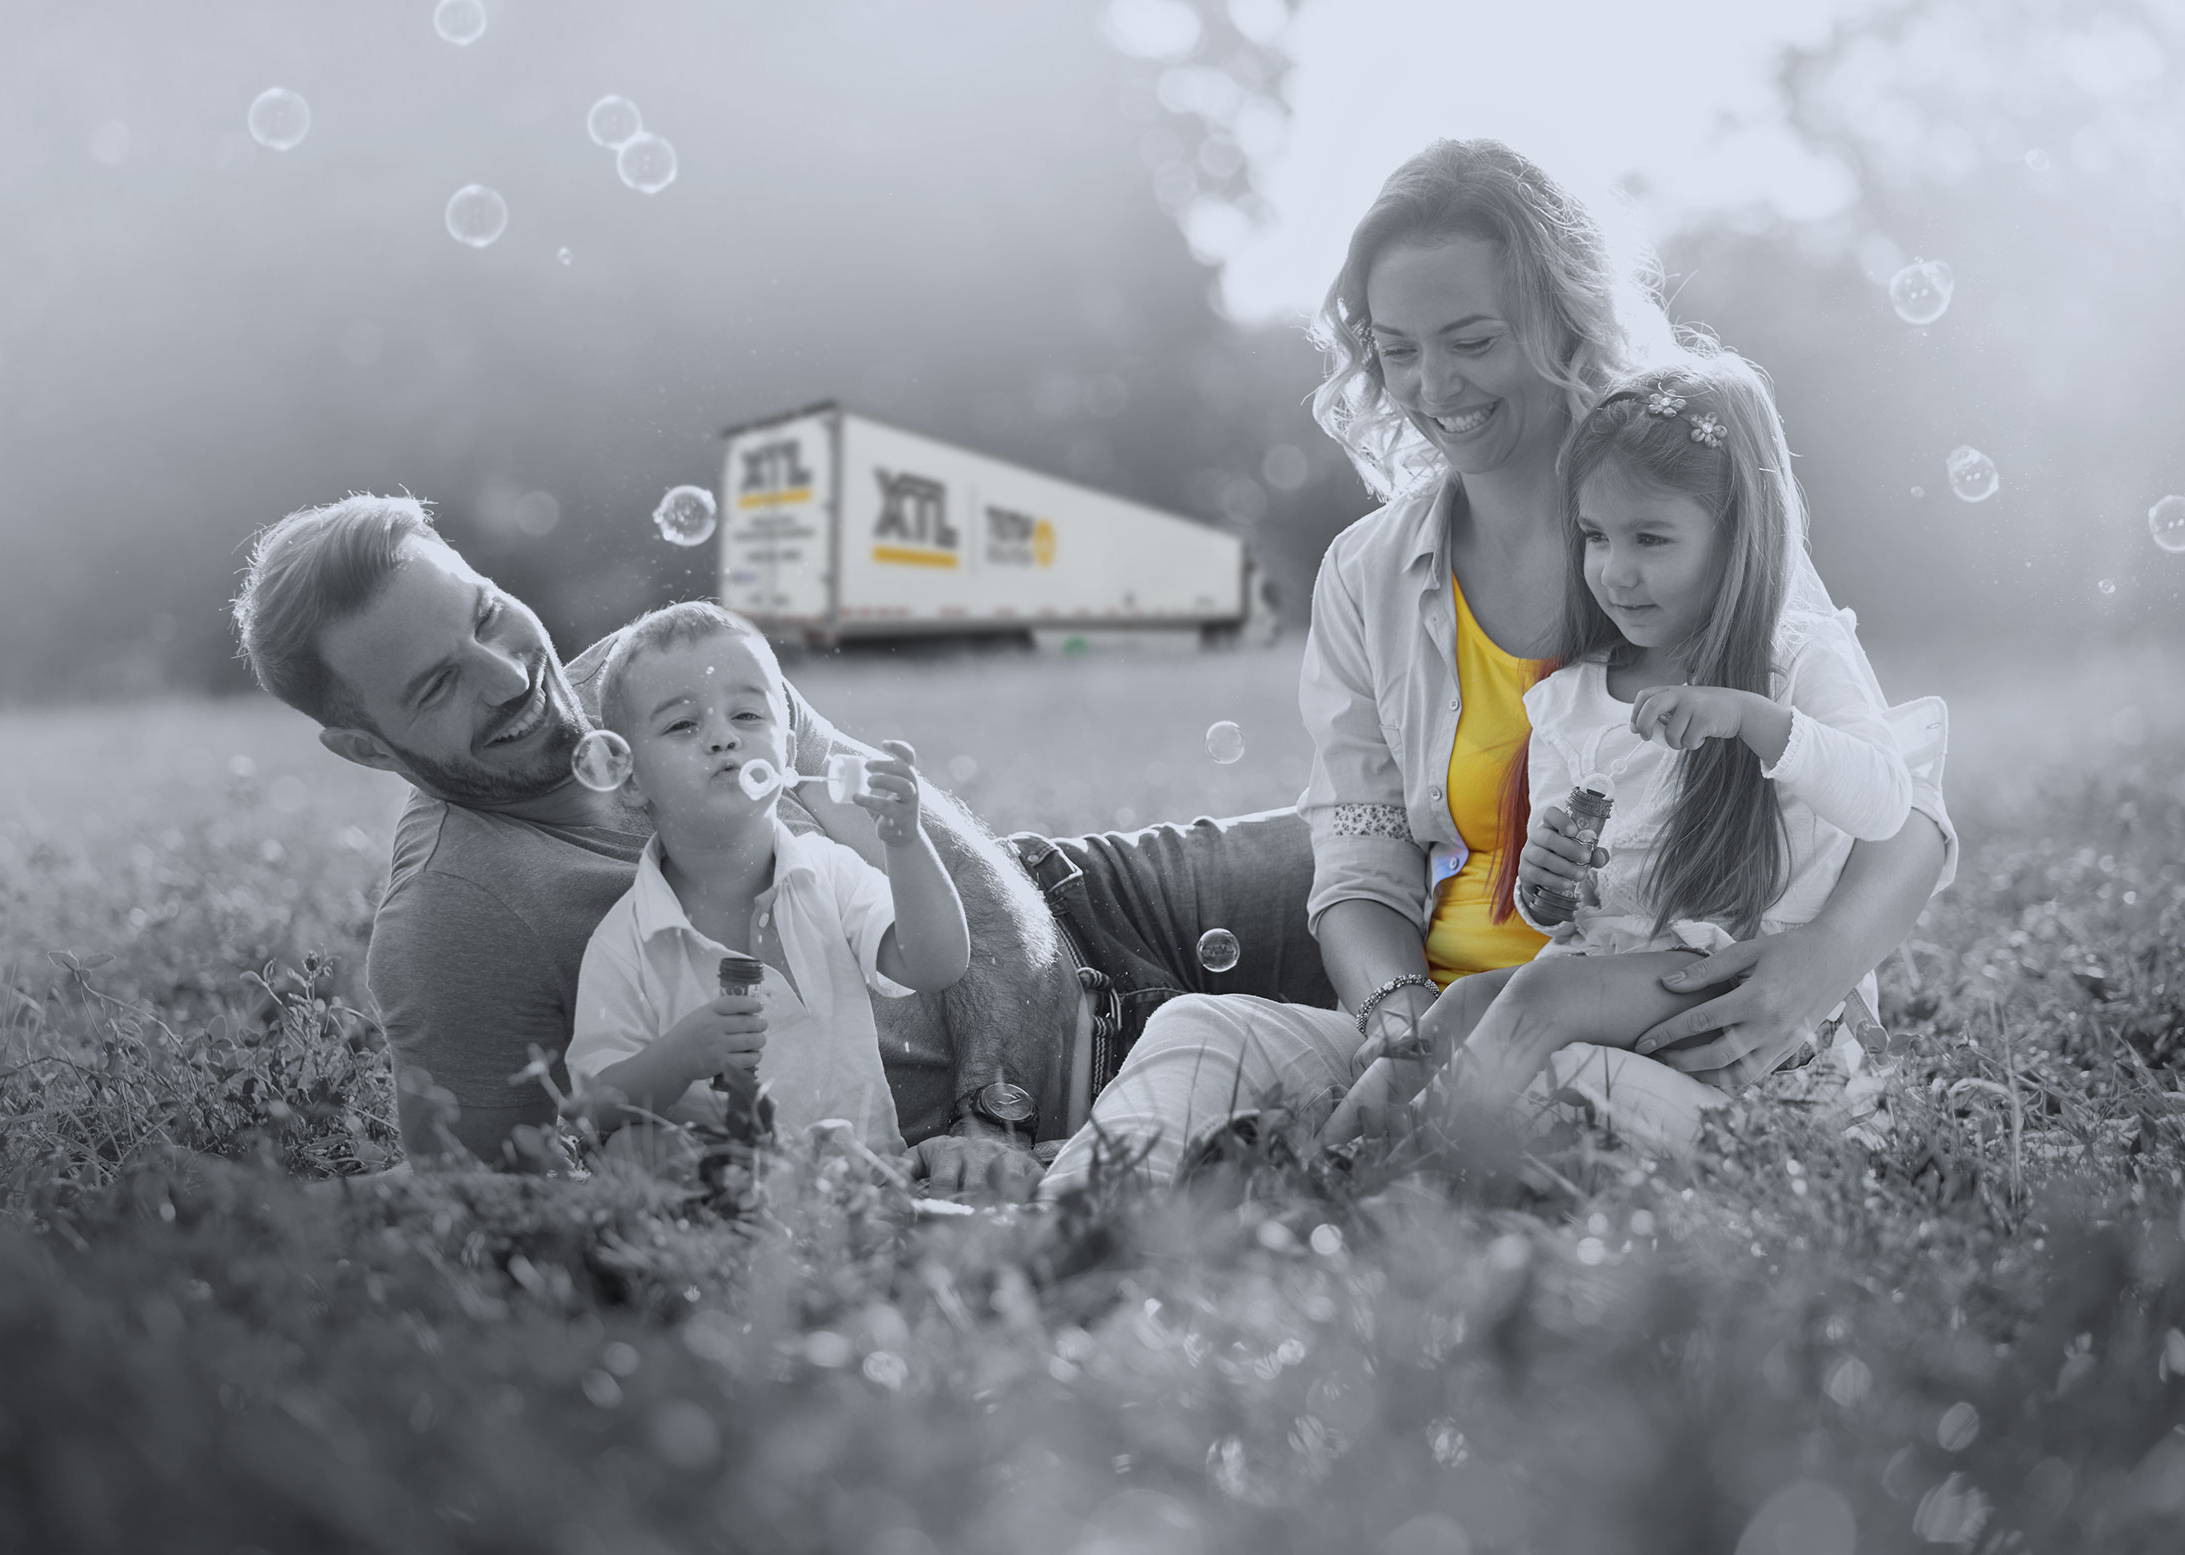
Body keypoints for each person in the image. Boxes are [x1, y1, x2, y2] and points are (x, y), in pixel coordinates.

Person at [1041, 139, 1957, 1196]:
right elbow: (1358, 852)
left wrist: (1816, 965)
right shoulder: (1371, 572)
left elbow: (1907, 807)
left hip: (1669, 1038)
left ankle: (1330, 1206)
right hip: (1455, 1030)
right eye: (1395, 350)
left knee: (1536, 1085)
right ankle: (1072, 1227)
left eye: (1470, 339)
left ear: (1560, 320)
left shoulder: (1689, 519)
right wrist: (1394, 1023)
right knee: (1203, 1029)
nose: (1432, 387)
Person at [226, 496, 1337, 1193]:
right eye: (435, 684)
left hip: (1087, 902)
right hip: (1105, 1078)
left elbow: (935, 854)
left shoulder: (661, 669)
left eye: (482, 614)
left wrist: (996, 1112)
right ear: (366, 748)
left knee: (1417, 846)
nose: (509, 674)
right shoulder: (458, 920)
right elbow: (494, 1188)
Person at [1330, 354, 1918, 1150]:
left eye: (1651, 538)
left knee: (1541, 997)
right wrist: (1547, 883)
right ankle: (1324, 1158)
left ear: (1738, 534)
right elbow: (1567, 916)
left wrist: (1748, 717)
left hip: (1748, 1007)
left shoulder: (1798, 659)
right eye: (1596, 536)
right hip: (1621, 988)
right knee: (1463, 1005)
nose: (1615, 571)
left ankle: (1421, 1168)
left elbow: (1885, 801)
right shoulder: (1572, 700)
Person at [565, 602, 968, 1164]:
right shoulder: (627, 940)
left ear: (787, 746)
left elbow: (937, 962)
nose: (722, 739)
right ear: (630, 781)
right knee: (638, 1149)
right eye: (683, 724)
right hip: (723, 1200)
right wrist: (678, 1058)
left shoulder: (828, 873)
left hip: (859, 1184)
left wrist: (906, 844)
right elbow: (592, 1106)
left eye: (748, 716)